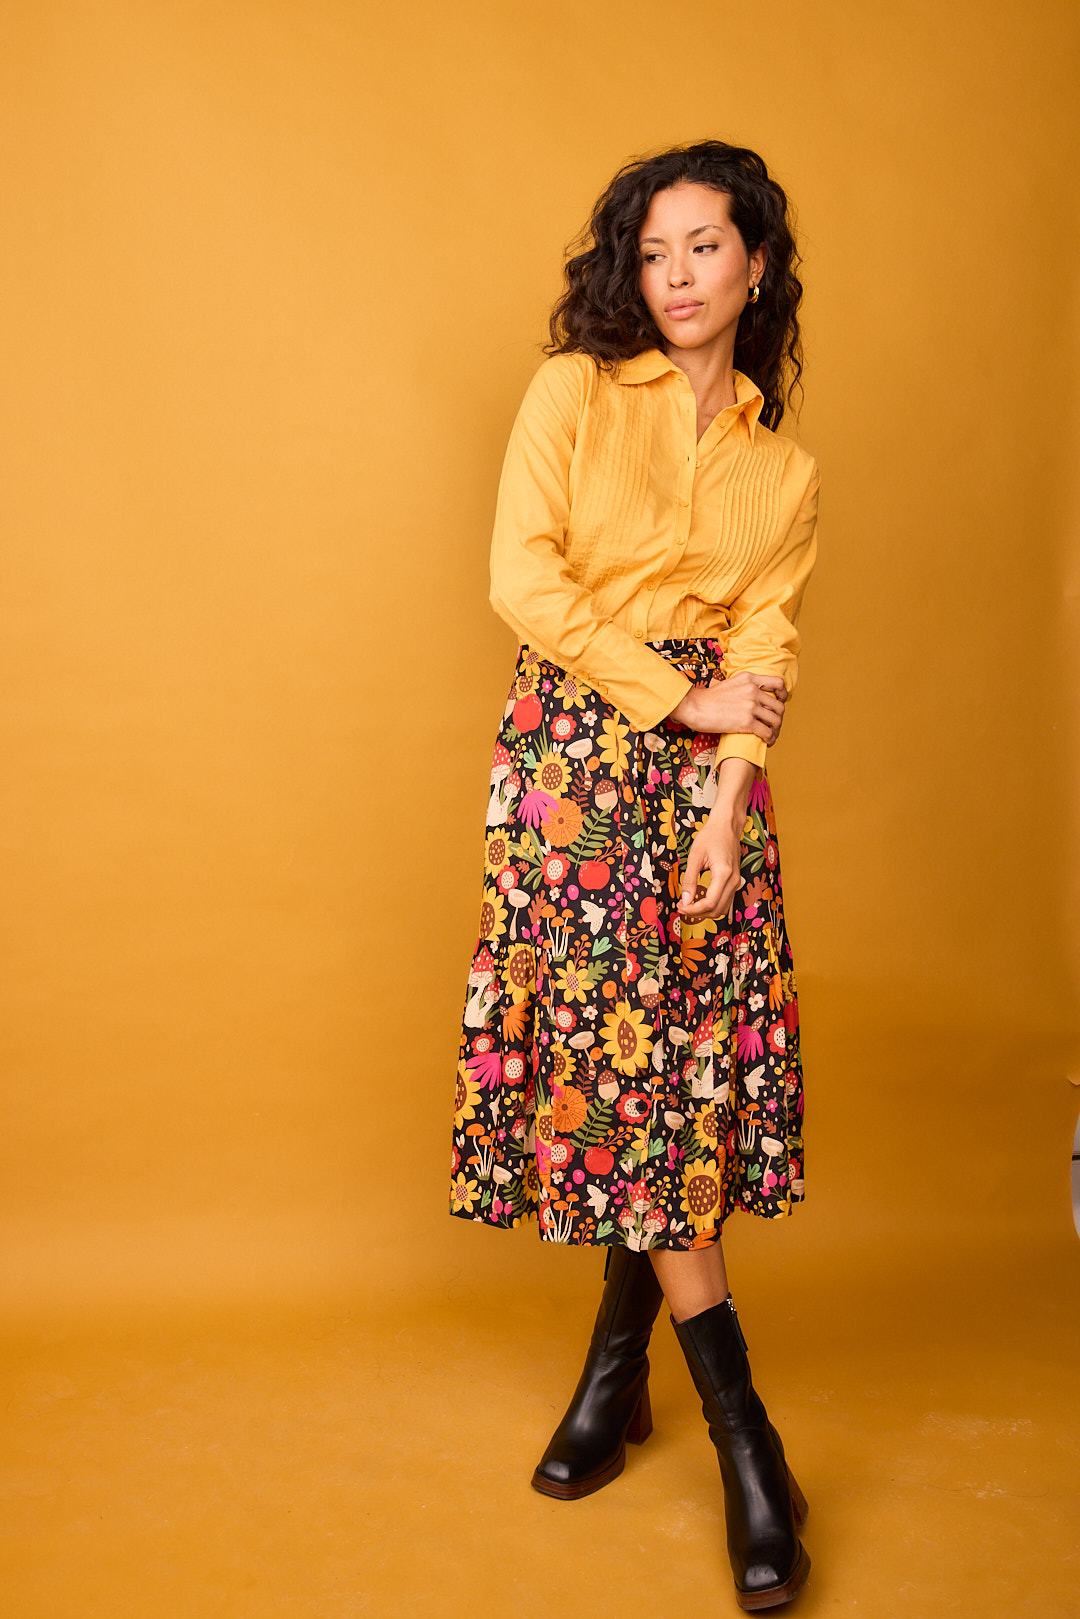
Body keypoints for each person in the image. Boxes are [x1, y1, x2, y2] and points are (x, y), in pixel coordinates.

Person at [448, 138, 820, 1611]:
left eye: (703, 247)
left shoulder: (784, 470)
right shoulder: (573, 393)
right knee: (630, 1077)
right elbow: (524, 582)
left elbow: (766, 653)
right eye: (652, 251)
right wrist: (679, 696)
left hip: (704, 785)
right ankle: (750, 1442)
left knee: (666, 1073)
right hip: (574, 771)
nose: (674, 276)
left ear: (756, 265)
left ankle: (615, 1376)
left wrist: (728, 804)